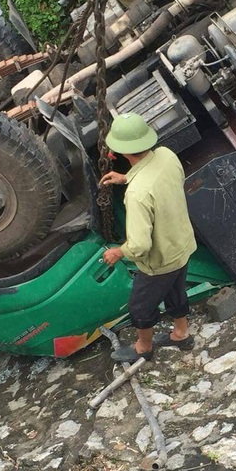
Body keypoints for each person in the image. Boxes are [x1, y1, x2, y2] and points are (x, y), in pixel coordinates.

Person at [100, 113, 198, 362]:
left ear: (121, 151)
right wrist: (127, 178)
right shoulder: (167, 155)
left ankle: (143, 348)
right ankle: (181, 334)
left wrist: (118, 252)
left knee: (140, 307)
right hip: (182, 243)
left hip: (160, 260)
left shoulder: (137, 195)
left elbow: (140, 245)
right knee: (176, 290)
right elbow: (161, 182)